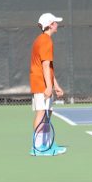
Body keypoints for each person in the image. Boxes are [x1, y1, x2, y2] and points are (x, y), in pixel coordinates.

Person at [29, 13, 67, 156]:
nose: (57, 24)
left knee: (47, 113)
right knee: (41, 112)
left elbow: (49, 67)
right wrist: (49, 87)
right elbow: (45, 66)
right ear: (50, 25)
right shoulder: (45, 41)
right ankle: (38, 147)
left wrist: (55, 85)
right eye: (55, 22)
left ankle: (47, 143)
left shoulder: (43, 39)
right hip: (41, 83)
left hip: (45, 82)